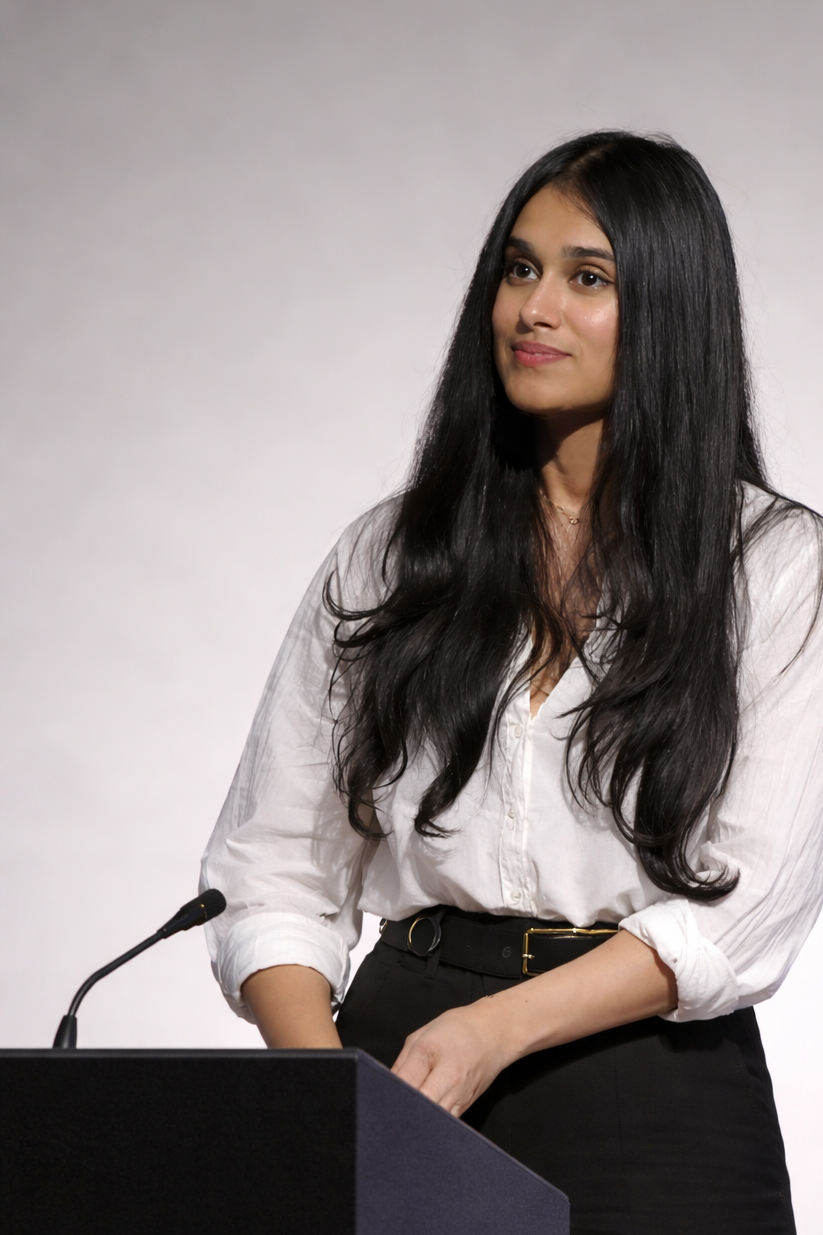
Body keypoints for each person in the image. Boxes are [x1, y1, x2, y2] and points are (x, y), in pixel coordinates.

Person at [201, 131, 823, 1234]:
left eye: (588, 278)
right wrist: (323, 1095)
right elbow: (273, 867)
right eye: (517, 268)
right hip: (396, 1067)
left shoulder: (774, 568)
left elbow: (744, 904)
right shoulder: (391, 555)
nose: (533, 307)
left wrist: (494, 1028)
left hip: (652, 1084)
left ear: (671, 312)